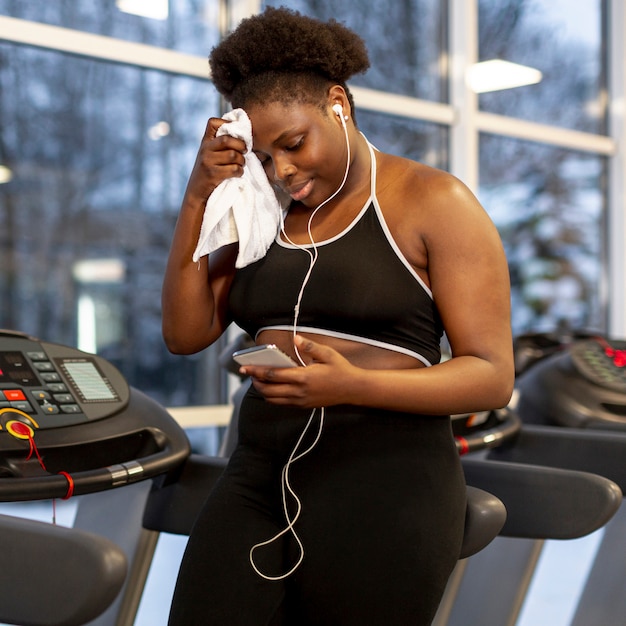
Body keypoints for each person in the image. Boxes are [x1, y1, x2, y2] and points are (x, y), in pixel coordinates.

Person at [162, 6, 514, 625]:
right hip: (258, 477)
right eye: (263, 158)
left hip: (387, 489)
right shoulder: (261, 211)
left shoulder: (434, 202)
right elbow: (184, 334)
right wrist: (197, 197)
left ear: (337, 104)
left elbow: (490, 375)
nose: (284, 171)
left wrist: (350, 385)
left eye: (293, 144)